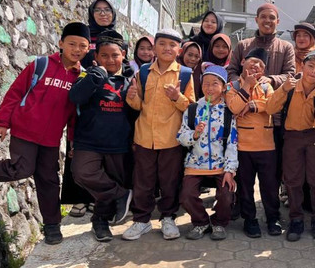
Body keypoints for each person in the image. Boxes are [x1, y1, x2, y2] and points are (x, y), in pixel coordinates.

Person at [0, 22, 91, 245]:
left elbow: (76, 114)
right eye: (71, 43)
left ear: (88, 49)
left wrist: (73, 142)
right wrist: (2, 123)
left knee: (49, 180)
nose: (76, 49)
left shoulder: (82, 77)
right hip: (25, 131)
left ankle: (52, 226)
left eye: (82, 46)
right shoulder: (40, 65)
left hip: (52, 139)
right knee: (21, 169)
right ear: (61, 43)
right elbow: (15, 94)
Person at [122, 28, 196, 241]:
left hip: (171, 138)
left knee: (169, 181)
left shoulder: (185, 74)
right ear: (154, 47)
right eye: (162, 44)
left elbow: (191, 108)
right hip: (144, 136)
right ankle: (141, 220)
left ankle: (168, 217)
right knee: (143, 180)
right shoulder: (143, 72)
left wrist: (177, 97)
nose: (167, 48)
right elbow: (138, 105)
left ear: (179, 50)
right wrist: (132, 96)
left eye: (172, 45)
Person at [69, 30, 134, 242]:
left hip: (118, 143)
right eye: (104, 56)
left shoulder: (131, 81)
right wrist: (97, 75)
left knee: (110, 181)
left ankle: (100, 222)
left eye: (115, 55)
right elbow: (75, 97)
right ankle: (120, 194)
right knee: (81, 173)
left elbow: (136, 113)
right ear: (96, 57)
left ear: (123, 54)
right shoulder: (88, 74)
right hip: (88, 141)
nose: (110, 60)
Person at [266, 50, 315, 242]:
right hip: (292, 138)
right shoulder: (291, 87)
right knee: (293, 181)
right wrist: (283, 89)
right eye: (310, 66)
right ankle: (296, 219)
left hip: (314, 138)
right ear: (302, 66)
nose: (313, 71)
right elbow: (270, 108)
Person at [225, 48, 282, 238]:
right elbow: (234, 107)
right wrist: (247, 87)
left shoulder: (267, 87)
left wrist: (254, 105)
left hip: (267, 146)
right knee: (245, 187)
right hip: (243, 147)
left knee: (270, 186)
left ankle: (273, 218)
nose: (255, 65)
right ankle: (250, 220)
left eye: (260, 64)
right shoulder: (232, 86)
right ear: (242, 62)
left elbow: (274, 105)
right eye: (252, 61)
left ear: (264, 70)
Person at [178, 65, 238, 241]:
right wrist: (194, 134)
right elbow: (181, 136)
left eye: (215, 84)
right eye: (206, 84)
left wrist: (230, 170)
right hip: (195, 163)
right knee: (186, 195)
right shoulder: (193, 109)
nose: (210, 88)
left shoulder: (228, 112)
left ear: (223, 86)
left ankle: (219, 222)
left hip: (220, 165)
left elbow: (232, 143)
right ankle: (201, 222)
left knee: (226, 195)